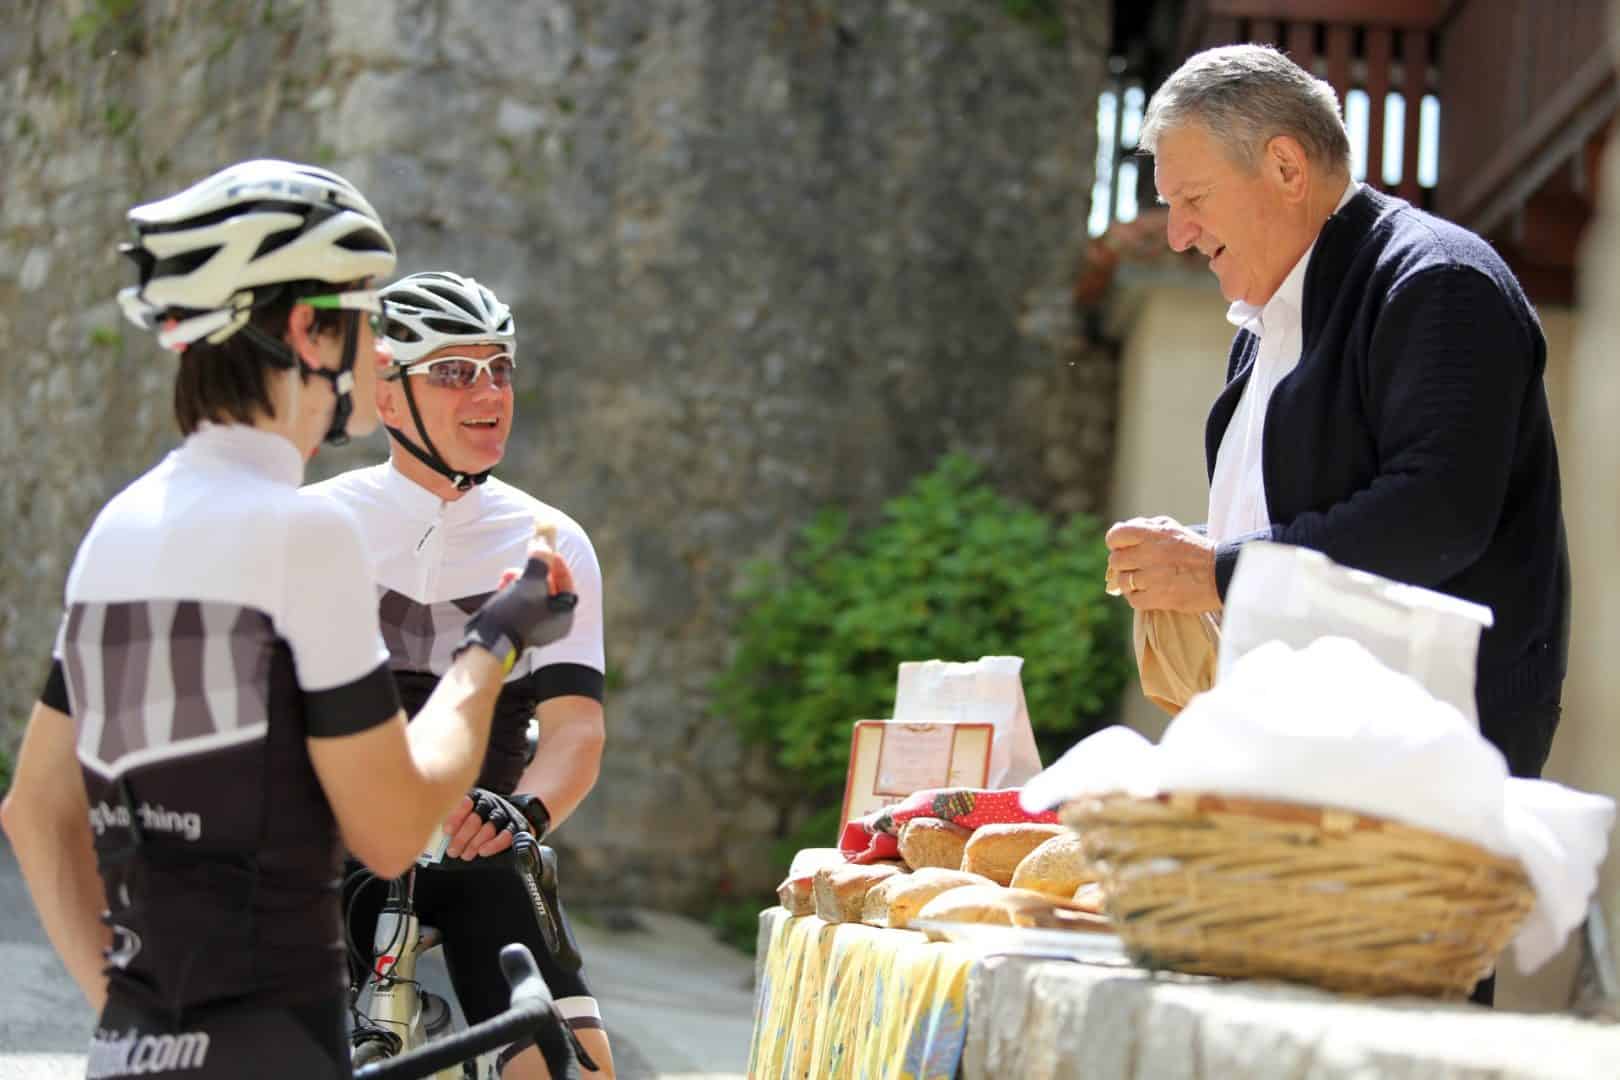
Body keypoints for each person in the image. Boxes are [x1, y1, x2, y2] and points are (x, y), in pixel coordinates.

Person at [0, 160, 578, 1078]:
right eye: (362, 320)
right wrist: (495, 639)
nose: (373, 352)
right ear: (307, 330)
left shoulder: (120, 527)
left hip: (130, 1054)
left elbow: (36, 811)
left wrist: (125, 1010)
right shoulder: (301, 533)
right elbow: (392, 827)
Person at [1104, 45, 1569, 1003]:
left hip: (1418, 754)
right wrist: (1196, 568)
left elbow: (1437, 514)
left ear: (1283, 166)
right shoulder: (1272, 312)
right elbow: (1303, 513)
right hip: (1307, 752)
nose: (1179, 235)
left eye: (1192, 199)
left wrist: (1222, 572)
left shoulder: (1437, 281)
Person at [308, 271, 615, 1079]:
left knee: (573, 1069)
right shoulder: (317, 527)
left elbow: (577, 728)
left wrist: (522, 814)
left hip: (476, 849)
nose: (488, 390)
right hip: (327, 850)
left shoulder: (551, 540)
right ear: (387, 394)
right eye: (454, 370)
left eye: (499, 367)